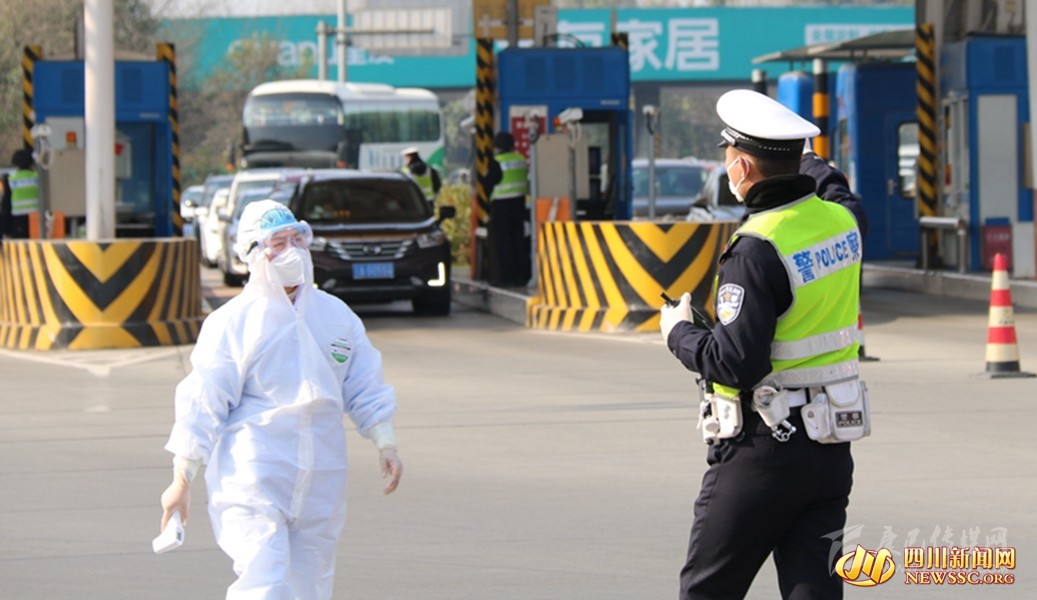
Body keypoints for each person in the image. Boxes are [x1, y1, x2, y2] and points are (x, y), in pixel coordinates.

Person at [660, 89, 867, 600]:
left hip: (762, 451)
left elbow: (735, 362)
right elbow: (838, 192)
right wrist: (807, 159)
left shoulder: (756, 248)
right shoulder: (844, 225)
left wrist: (678, 333)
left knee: (707, 591)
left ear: (743, 167)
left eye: (729, 157)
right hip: (828, 450)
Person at [159, 200, 403, 599]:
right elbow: (204, 399)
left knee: (311, 586)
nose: (292, 251)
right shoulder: (234, 322)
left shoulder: (335, 316)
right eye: (278, 243)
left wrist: (385, 441)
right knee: (264, 581)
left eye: (297, 239)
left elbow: (364, 384)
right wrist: (182, 476)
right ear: (254, 253)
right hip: (254, 475)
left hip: (321, 477)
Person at [485, 131, 530, 286]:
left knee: (503, 243)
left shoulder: (497, 162)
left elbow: (489, 183)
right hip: (519, 205)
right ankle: (521, 276)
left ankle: (506, 277)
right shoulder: (521, 160)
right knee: (519, 240)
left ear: (498, 146)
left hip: (501, 207)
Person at [7, 149, 41, 239]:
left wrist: (5, 228)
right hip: (36, 217)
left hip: (18, 218)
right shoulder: (38, 177)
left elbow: (6, 204)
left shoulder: (11, 179)